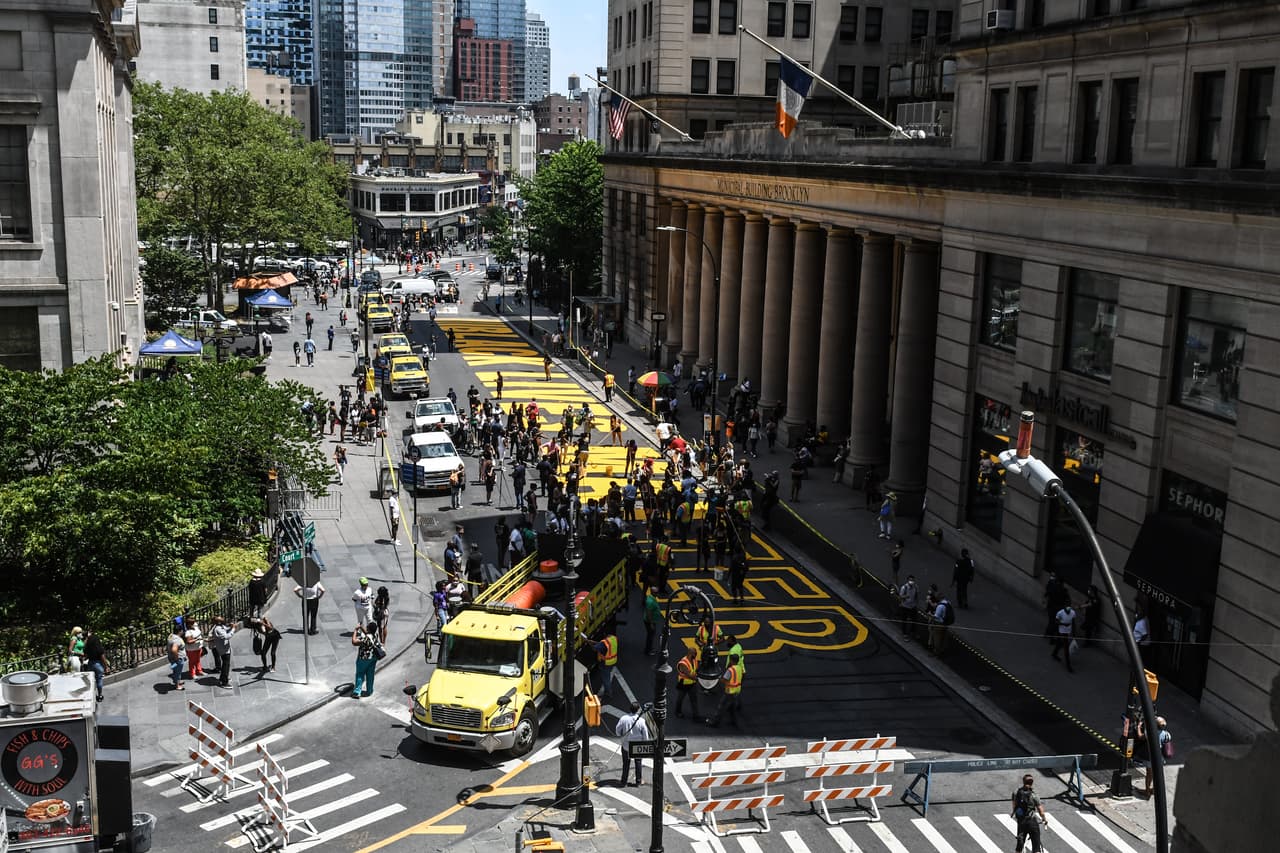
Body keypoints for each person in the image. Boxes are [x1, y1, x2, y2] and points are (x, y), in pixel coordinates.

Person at [615, 702, 652, 787]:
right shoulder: (641, 721)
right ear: (638, 710)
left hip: (626, 745)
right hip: (637, 746)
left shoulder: (623, 719)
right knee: (638, 763)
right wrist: (645, 744)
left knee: (626, 764)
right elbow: (645, 736)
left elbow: (617, 730)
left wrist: (621, 738)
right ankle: (638, 781)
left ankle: (623, 781)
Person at [1012, 774, 1048, 852]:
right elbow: (1041, 811)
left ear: (1023, 781)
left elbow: (1014, 806)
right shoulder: (1034, 795)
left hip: (1021, 822)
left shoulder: (1016, 793)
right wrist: (1044, 819)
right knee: (1036, 844)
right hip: (1032, 822)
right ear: (1032, 783)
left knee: (1020, 844)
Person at [710, 652, 744, 727]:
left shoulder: (730, 670)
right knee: (732, 707)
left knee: (721, 706)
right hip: (737, 691)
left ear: (731, 660)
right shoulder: (739, 668)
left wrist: (718, 679)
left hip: (729, 692)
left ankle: (715, 722)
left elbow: (724, 680)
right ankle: (734, 721)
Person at [351, 620, 383, 698]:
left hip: (364, 658)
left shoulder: (365, 638)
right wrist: (361, 627)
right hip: (373, 658)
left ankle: (357, 692)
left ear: (368, 629)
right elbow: (367, 633)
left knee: (360, 674)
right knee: (370, 674)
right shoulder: (375, 635)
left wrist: (355, 631)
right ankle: (369, 690)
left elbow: (354, 642)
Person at [1145, 716, 1172, 796]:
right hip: (1161, 758)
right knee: (1157, 773)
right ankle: (1154, 789)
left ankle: (1147, 790)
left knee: (1149, 773)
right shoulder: (1167, 734)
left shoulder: (1150, 732)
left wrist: (1139, 727)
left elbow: (1141, 736)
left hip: (1151, 757)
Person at [210, 616, 237, 688]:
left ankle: (223, 677)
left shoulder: (221, 626)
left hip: (225, 648)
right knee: (226, 665)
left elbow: (226, 629)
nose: (224, 620)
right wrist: (233, 629)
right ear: (219, 622)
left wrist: (230, 627)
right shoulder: (218, 629)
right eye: (222, 620)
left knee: (226, 664)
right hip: (223, 649)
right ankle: (224, 682)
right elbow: (227, 636)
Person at [83, 630, 108, 701]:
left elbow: (85, 653)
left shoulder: (87, 644)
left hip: (90, 663)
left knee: (90, 681)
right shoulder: (97, 644)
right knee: (99, 680)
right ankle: (100, 695)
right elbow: (102, 655)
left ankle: (91, 696)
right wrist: (106, 666)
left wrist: (87, 638)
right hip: (98, 664)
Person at [675, 649, 700, 719]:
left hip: (692, 683)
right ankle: (678, 712)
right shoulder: (683, 663)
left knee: (694, 699)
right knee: (680, 698)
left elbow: (696, 669)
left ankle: (696, 716)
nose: (696, 655)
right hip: (684, 684)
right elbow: (688, 675)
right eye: (694, 654)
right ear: (690, 654)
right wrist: (699, 679)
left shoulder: (694, 660)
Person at [1052, 600, 1076, 672]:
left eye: (1069, 605)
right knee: (1066, 648)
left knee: (1060, 643)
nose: (1068, 607)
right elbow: (1056, 622)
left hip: (1068, 631)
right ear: (1064, 606)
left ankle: (1054, 653)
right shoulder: (1060, 613)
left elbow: (1074, 623)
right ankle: (1068, 666)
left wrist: (1074, 633)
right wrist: (1063, 624)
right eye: (1067, 605)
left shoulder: (1073, 613)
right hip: (1061, 632)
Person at [594, 632, 619, 696]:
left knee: (606, 678)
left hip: (606, 663)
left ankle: (609, 692)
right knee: (607, 675)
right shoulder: (614, 639)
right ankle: (608, 691)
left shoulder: (604, 643)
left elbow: (595, 648)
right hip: (613, 661)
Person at [896, 575, 920, 640]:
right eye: (910, 580)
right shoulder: (904, 588)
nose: (911, 581)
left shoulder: (916, 587)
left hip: (913, 606)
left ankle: (913, 632)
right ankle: (905, 634)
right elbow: (900, 597)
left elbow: (917, 595)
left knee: (914, 620)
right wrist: (905, 596)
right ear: (907, 580)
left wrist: (917, 604)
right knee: (904, 621)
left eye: (912, 580)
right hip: (905, 607)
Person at [642, 587, 662, 655]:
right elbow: (649, 613)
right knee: (650, 635)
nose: (657, 593)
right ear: (652, 592)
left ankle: (649, 649)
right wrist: (651, 624)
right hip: (650, 621)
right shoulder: (650, 602)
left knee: (651, 635)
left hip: (651, 621)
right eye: (656, 592)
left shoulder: (650, 598)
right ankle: (648, 650)